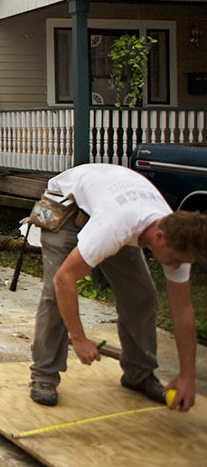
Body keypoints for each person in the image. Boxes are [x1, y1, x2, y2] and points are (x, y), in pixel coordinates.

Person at [29, 162, 207, 412]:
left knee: (141, 295)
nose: (177, 265)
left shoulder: (179, 237)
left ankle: (139, 374)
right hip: (67, 205)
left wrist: (187, 375)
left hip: (111, 205)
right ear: (159, 238)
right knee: (55, 294)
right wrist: (79, 338)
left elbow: (183, 311)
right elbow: (64, 280)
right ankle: (44, 376)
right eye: (176, 259)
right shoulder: (114, 226)